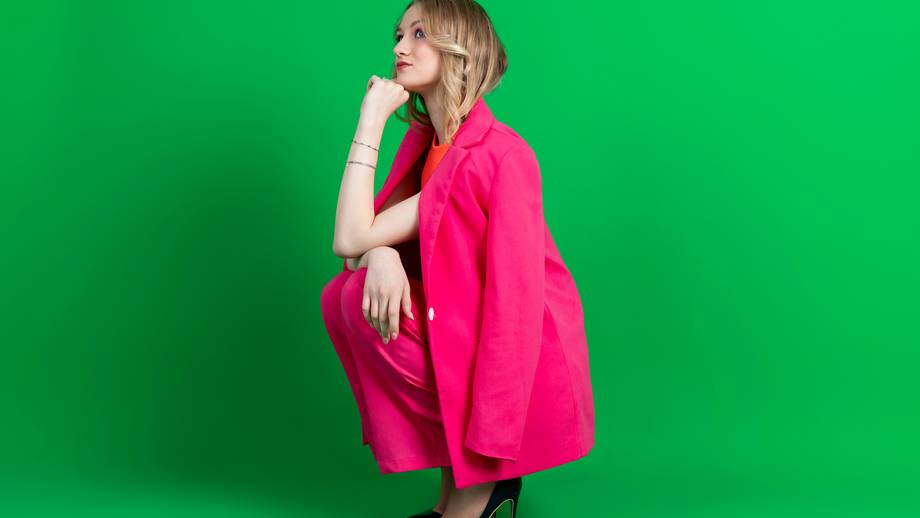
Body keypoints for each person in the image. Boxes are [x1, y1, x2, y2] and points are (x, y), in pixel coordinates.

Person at [319, 1, 595, 516]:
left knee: (364, 294)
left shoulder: (504, 155)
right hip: (460, 329)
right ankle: (455, 495)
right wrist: (371, 121)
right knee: (346, 295)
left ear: (459, 48)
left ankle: (486, 482)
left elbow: (513, 305)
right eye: (398, 34)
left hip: (519, 356)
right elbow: (352, 238)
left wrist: (495, 432)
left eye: (419, 33)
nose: (400, 47)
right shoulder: (431, 148)